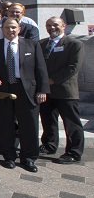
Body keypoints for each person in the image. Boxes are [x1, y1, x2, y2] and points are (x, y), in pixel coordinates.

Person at [0, 17, 49, 173]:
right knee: (4, 123)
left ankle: (29, 158)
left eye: (13, 27)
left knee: (29, 125)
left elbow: (41, 69)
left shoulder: (32, 45)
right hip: (3, 89)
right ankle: (8, 156)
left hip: (27, 90)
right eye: (6, 27)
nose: (10, 30)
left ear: (19, 29)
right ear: (2, 29)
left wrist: (42, 90)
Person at [39, 17, 85, 164]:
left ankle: (74, 152)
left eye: (55, 25)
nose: (51, 28)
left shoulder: (74, 44)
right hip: (46, 91)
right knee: (48, 120)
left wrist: (52, 80)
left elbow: (72, 67)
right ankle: (49, 145)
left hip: (65, 91)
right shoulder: (42, 44)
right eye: (48, 25)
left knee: (71, 122)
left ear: (63, 26)